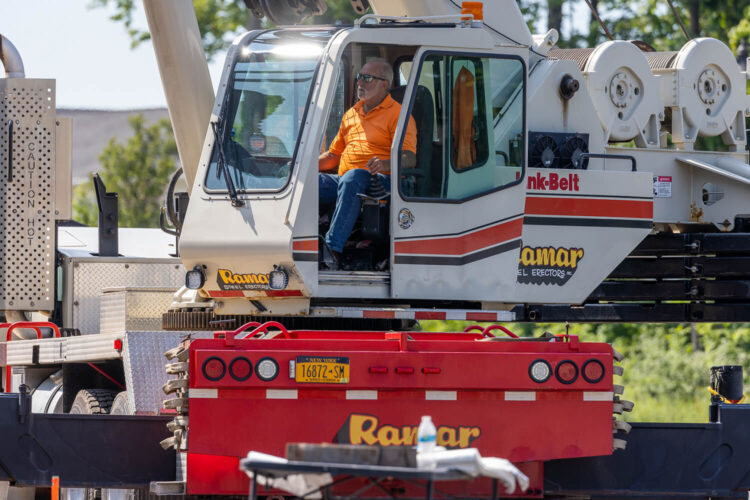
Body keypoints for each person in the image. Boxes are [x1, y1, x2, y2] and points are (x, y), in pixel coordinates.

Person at [318, 59, 417, 264]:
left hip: (382, 181)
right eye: (359, 77)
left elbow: (409, 158)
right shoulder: (352, 113)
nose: (360, 83)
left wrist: (384, 164)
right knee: (310, 183)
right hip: (345, 179)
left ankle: (332, 250)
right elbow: (333, 156)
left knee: (354, 177)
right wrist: (298, 168)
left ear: (385, 84)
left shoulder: (399, 114)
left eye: (367, 78)